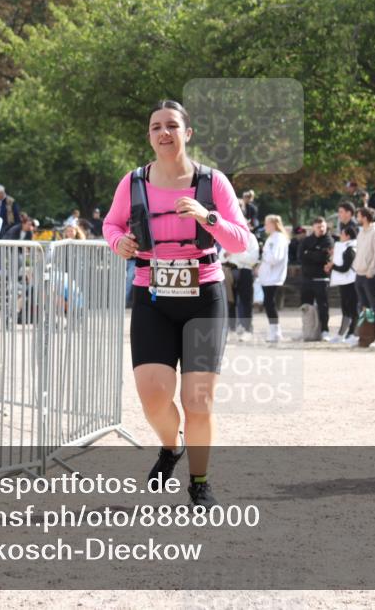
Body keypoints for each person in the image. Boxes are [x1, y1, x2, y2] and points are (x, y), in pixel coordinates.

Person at [102, 99, 251, 508]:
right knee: (153, 396)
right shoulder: (133, 182)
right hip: (152, 295)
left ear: (187, 133)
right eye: (156, 127)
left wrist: (208, 217)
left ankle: (199, 483)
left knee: (198, 401)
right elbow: (112, 224)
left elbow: (242, 240)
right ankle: (172, 446)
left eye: (171, 125)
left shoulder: (212, 182)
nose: (164, 133)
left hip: (204, 296)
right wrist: (118, 242)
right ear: (149, 136)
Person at [352, 207, 375, 349]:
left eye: (359, 216)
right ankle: (366, 334)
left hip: (369, 275)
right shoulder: (361, 232)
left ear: (365, 217)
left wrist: (371, 271)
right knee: (363, 307)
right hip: (359, 273)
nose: (357, 218)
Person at [298, 217, 334, 341]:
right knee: (306, 306)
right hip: (307, 279)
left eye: (323, 226)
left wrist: (309, 253)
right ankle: (308, 330)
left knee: (323, 306)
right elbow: (300, 257)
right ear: (313, 227)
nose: (321, 229)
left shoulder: (328, 240)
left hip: (321, 279)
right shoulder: (306, 240)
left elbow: (323, 257)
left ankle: (324, 330)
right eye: (318, 227)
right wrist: (314, 254)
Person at [222, 223, 259, 339]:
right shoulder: (228, 236)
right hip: (229, 270)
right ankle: (231, 328)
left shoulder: (251, 238)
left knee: (245, 301)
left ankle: (246, 329)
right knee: (229, 301)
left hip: (244, 271)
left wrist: (235, 251)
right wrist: (227, 254)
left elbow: (253, 259)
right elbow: (221, 256)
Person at [258, 214, 289, 343]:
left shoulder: (279, 238)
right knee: (269, 303)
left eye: (267, 223)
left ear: (274, 224)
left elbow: (275, 257)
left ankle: (275, 332)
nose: (265, 226)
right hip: (267, 276)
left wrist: (264, 254)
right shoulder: (271, 238)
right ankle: (274, 330)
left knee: (269, 303)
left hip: (273, 276)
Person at [327, 225, 357, 343]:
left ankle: (352, 333)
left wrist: (332, 266)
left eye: (342, 234)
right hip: (346, 282)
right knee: (346, 309)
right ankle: (342, 333)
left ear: (348, 236)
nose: (340, 236)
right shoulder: (346, 247)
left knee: (351, 309)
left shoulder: (350, 249)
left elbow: (345, 268)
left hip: (350, 282)